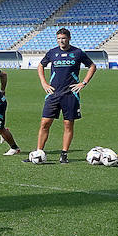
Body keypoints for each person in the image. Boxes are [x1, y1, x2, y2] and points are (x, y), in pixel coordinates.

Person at [33, 27, 96, 165]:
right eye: (59, 39)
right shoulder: (52, 53)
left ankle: (64, 154)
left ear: (69, 38)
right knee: (45, 123)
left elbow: (92, 66)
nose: (61, 41)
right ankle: (39, 152)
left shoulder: (77, 53)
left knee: (68, 124)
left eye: (63, 38)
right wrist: (44, 83)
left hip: (70, 94)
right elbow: (40, 66)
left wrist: (83, 83)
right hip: (53, 93)